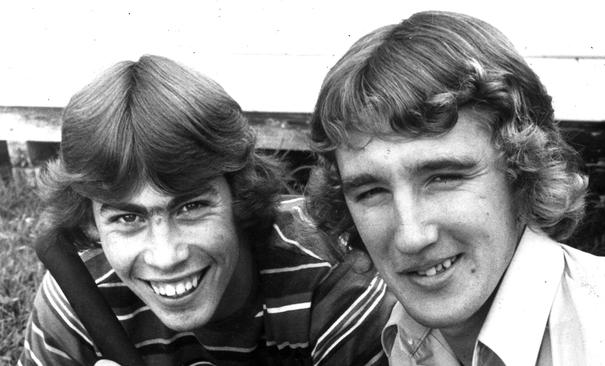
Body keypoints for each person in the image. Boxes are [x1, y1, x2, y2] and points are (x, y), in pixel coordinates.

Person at [306, 10, 605, 366]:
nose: (411, 236)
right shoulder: (402, 345)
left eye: (443, 178)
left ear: (523, 172)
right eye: (371, 192)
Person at [19, 55, 393, 366]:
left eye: (192, 207)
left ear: (238, 194)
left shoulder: (331, 284)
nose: (166, 257)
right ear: (90, 220)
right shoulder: (76, 297)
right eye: (127, 218)